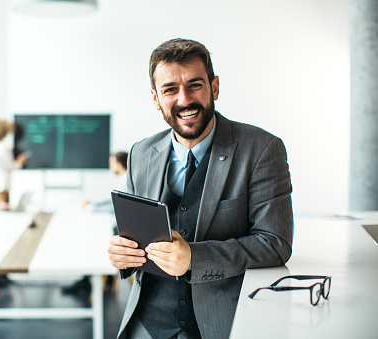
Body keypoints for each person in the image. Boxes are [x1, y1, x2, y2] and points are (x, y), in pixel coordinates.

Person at [107, 38, 293, 339]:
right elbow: (126, 231)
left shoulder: (261, 149)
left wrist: (195, 257)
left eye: (195, 85)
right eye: (170, 89)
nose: (184, 99)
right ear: (155, 99)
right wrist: (120, 252)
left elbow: (275, 243)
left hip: (220, 324)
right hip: (146, 325)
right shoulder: (139, 154)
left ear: (214, 87)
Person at [63, 152, 129, 296]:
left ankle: (90, 281)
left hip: (121, 229)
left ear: (118, 164)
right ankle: (89, 280)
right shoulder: (123, 179)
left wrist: (92, 208)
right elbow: (113, 199)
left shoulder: (127, 181)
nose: (110, 166)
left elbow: (116, 205)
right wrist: (94, 204)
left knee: (93, 240)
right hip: (118, 226)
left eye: (111, 162)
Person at [0, 118, 28, 203]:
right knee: (3, 209)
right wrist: (19, 162)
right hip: (2, 186)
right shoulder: (3, 148)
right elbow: (10, 166)